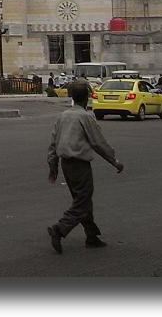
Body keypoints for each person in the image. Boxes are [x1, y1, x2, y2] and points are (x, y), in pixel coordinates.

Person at [46, 81, 124, 253]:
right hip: (79, 164)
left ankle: (91, 235)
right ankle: (60, 228)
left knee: (82, 200)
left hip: (66, 163)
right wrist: (114, 161)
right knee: (82, 201)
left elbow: (53, 142)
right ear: (86, 98)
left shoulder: (63, 116)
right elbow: (98, 142)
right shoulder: (85, 116)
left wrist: (53, 166)